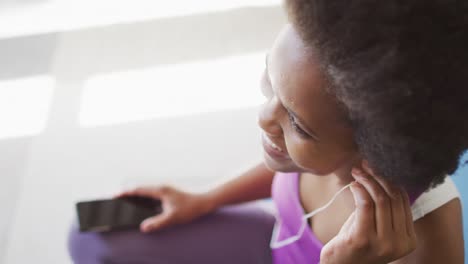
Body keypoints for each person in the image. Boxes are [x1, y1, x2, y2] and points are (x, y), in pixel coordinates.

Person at [69, 0, 468, 263]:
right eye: (272, 84)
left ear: (372, 151)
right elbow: (290, 168)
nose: (264, 117)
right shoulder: (317, 151)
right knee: (91, 238)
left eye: (296, 122)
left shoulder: (428, 236)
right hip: (269, 246)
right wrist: (204, 200)